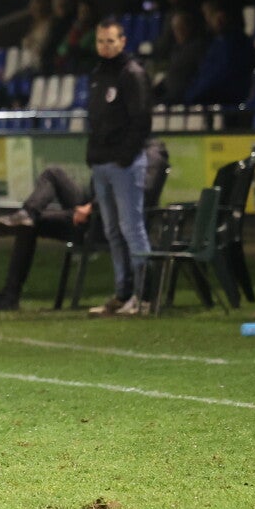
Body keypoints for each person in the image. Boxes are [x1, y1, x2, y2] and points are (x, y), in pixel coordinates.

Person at [0, 140, 169, 311]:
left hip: (107, 223)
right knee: (51, 176)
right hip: (93, 212)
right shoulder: (119, 147)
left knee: (31, 225)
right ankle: (26, 214)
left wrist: (92, 207)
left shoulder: (152, 154)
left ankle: (10, 293)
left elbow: (139, 194)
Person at [83, 17, 153, 317]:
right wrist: (94, 154)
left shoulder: (132, 73)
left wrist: (125, 156)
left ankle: (144, 296)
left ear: (122, 42)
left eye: (111, 41)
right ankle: (123, 293)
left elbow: (142, 120)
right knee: (113, 231)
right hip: (102, 164)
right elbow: (96, 119)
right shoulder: (98, 74)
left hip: (124, 165)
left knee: (131, 228)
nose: (105, 46)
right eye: (101, 41)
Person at [180, 0, 255, 108]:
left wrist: (193, 97)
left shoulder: (237, 43)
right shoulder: (217, 43)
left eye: (209, 15)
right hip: (205, 100)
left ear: (221, 15)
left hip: (225, 102)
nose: (208, 21)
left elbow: (221, 78)